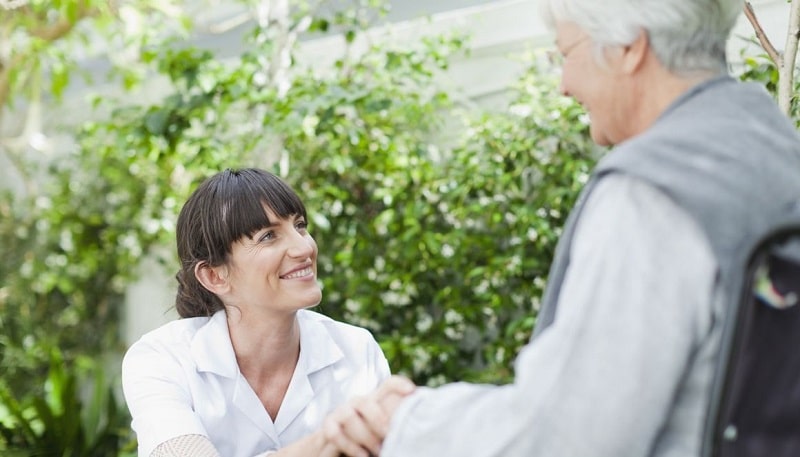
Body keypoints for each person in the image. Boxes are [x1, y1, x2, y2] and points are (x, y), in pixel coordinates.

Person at [324, 0, 800, 455]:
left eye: (565, 54)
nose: (563, 85)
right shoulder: (778, 153)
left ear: (630, 47)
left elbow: (564, 438)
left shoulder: (653, 191)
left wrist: (406, 420)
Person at [121, 168, 394, 457]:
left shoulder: (357, 350)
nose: (304, 247)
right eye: (268, 236)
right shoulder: (162, 358)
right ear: (215, 276)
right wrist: (329, 440)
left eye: (299, 226)